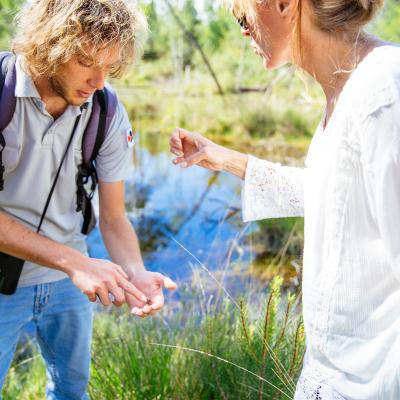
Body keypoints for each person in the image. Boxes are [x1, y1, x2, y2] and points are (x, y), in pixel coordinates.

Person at [170, 0, 400, 398]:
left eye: (242, 16)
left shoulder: (384, 89)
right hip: (329, 377)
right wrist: (224, 158)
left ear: (282, 4)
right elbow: (332, 196)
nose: (243, 31)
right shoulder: (347, 91)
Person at [0, 0, 177, 398]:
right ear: (49, 44)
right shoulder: (1, 91)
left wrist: (135, 271)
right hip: (21, 278)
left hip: (68, 283)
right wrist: (75, 262)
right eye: (85, 61)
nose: (99, 81)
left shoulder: (107, 110)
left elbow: (114, 219)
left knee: (71, 390)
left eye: (110, 68)